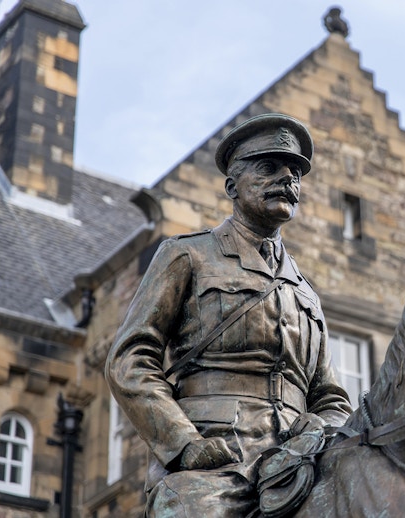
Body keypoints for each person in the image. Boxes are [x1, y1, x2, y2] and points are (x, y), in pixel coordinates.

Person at [105, 113, 352, 517]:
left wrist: (324, 426)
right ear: (232, 186)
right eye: (269, 168)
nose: (288, 179)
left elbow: (330, 397)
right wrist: (184, 444)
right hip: (217, 461)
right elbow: (130, 360)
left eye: (295, 172)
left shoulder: (305, 292)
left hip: (296, 463)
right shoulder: (187, 255)